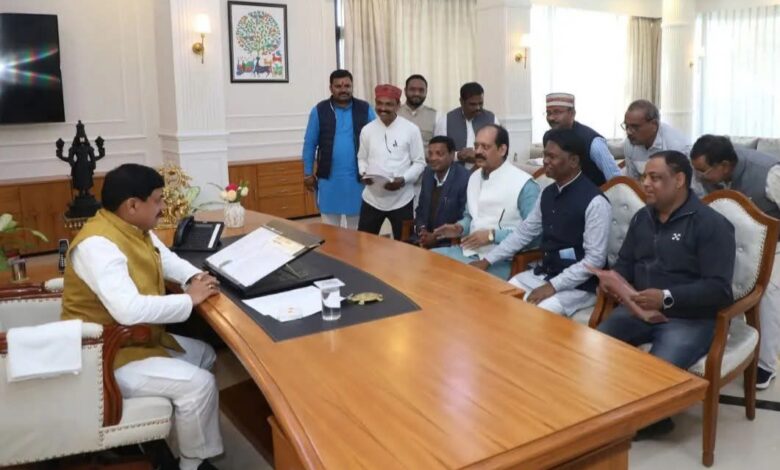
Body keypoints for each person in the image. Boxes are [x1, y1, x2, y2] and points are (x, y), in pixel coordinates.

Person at [61, 164, 223, 470]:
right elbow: (129, 310)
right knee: (199, 384)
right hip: (105, 356)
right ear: (132, 205)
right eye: (158, 200)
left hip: (135, 341)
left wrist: (196, 278)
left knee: (204, 354)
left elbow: (166, 260)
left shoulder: (131, 227)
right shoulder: (98, 245)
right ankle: (192, 464)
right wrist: (189, 299)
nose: (162, 208)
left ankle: (173, 441)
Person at [597, 150, 735, 438]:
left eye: (655, 178)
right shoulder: (642, 218)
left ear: (680, 180)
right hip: (639, 310)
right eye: (644, 177)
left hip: (688, 318)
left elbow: (719, 289)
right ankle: (610, 410)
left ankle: (653, 421)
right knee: (595, 348)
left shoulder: (710, 224)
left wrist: (666, 297)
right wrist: (613, 281)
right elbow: (625, 264)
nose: (645, 183)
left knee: (656, 372)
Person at [470, 128, 611, 316]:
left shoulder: (596, 202)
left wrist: (553, 286)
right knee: (502, 298)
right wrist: (487, 260)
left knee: (536, 314)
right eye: (545, 155)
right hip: (545, 274)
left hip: (580, 286)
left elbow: (594, 260)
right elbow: (524, 233)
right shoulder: (548, 193)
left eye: (552, 157)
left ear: (574, 161)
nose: (545, 161)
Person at [690, 134, 780, 389]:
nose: (698, 177)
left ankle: (765, 363)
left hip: (774, 246)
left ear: (725, 166)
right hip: (728, 243)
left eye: (703, 171)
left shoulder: (769, 175)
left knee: (768, 291)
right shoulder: (703, 174)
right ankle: (717, 342)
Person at [432, 124, 539, 279]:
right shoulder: (474, 177)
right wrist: (459, 228)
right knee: (428, 260)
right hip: (468, 252)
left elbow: (535, 236)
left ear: (502, 150)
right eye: (476, 146)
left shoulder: (524, 185)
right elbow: (471, 216)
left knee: (451, 279)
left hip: (504, 261)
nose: (478, 152)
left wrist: (492, 236)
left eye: (485, 147)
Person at [302, 69, 376, 229]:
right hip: (329, 180)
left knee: (356, 230)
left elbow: (376, 140)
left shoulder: (365, 108)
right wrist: (308, 173)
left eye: (347, 86)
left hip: (357, 180)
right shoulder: (319, 110)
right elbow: (310, 143)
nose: (343, 90)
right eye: (338, 86)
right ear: (331, 88)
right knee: (330, 229)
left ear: (352, 86)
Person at [356, 84, 425, 240]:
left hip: (402, 199)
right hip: (372, 199)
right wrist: (363, 172)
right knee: (364, 244)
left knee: (405, 246)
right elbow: (362, 158)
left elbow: (419, 162)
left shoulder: (411, 129)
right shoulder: (367, 130)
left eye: (388, 104)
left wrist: (403, 180)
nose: (383, 108)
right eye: (379, 103)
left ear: (398, 105)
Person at [543, 93, 620, 185]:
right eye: (548, 113)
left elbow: (616, 181)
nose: (551, 118)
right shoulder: (548, 138)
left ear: (572, 114)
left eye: (557, 112)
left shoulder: (593, 142)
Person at [414, 135, 469, 248]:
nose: (433, 158)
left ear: (452, 155)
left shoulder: (464, 179)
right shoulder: (428, 173)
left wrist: (436, 237)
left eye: (439, 154)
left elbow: (463, 218)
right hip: (423, 238)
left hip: (449, 242)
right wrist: (422, 230)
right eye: (430, 154)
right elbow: (420, 209)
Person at [434, 82, 500, 170]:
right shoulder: (445, 120)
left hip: (486, 172)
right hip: (455, 174)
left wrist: (479, 155)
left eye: (480, 103)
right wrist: (458, 155)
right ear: (461, 101)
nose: (478, 108)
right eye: (473, 104)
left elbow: (499, 150)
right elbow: (437, 153)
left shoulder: (492, 119)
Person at [622, 99, 689, 180]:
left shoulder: (676, 146)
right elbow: (633, 180)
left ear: (654, 125)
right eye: (626, 126)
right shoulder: (630, 142)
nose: (629, 132)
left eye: (635, 127)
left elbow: (679, 184)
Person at [398, 74, 438, 209]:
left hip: (424, 181)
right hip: (399, 181)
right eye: (412, 89)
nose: (417, 93)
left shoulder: (435, 116)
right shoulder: (395, 114)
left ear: (426, 92)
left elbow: (440, 149)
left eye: (421, 90)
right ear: (405, 91)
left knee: (423, 218)